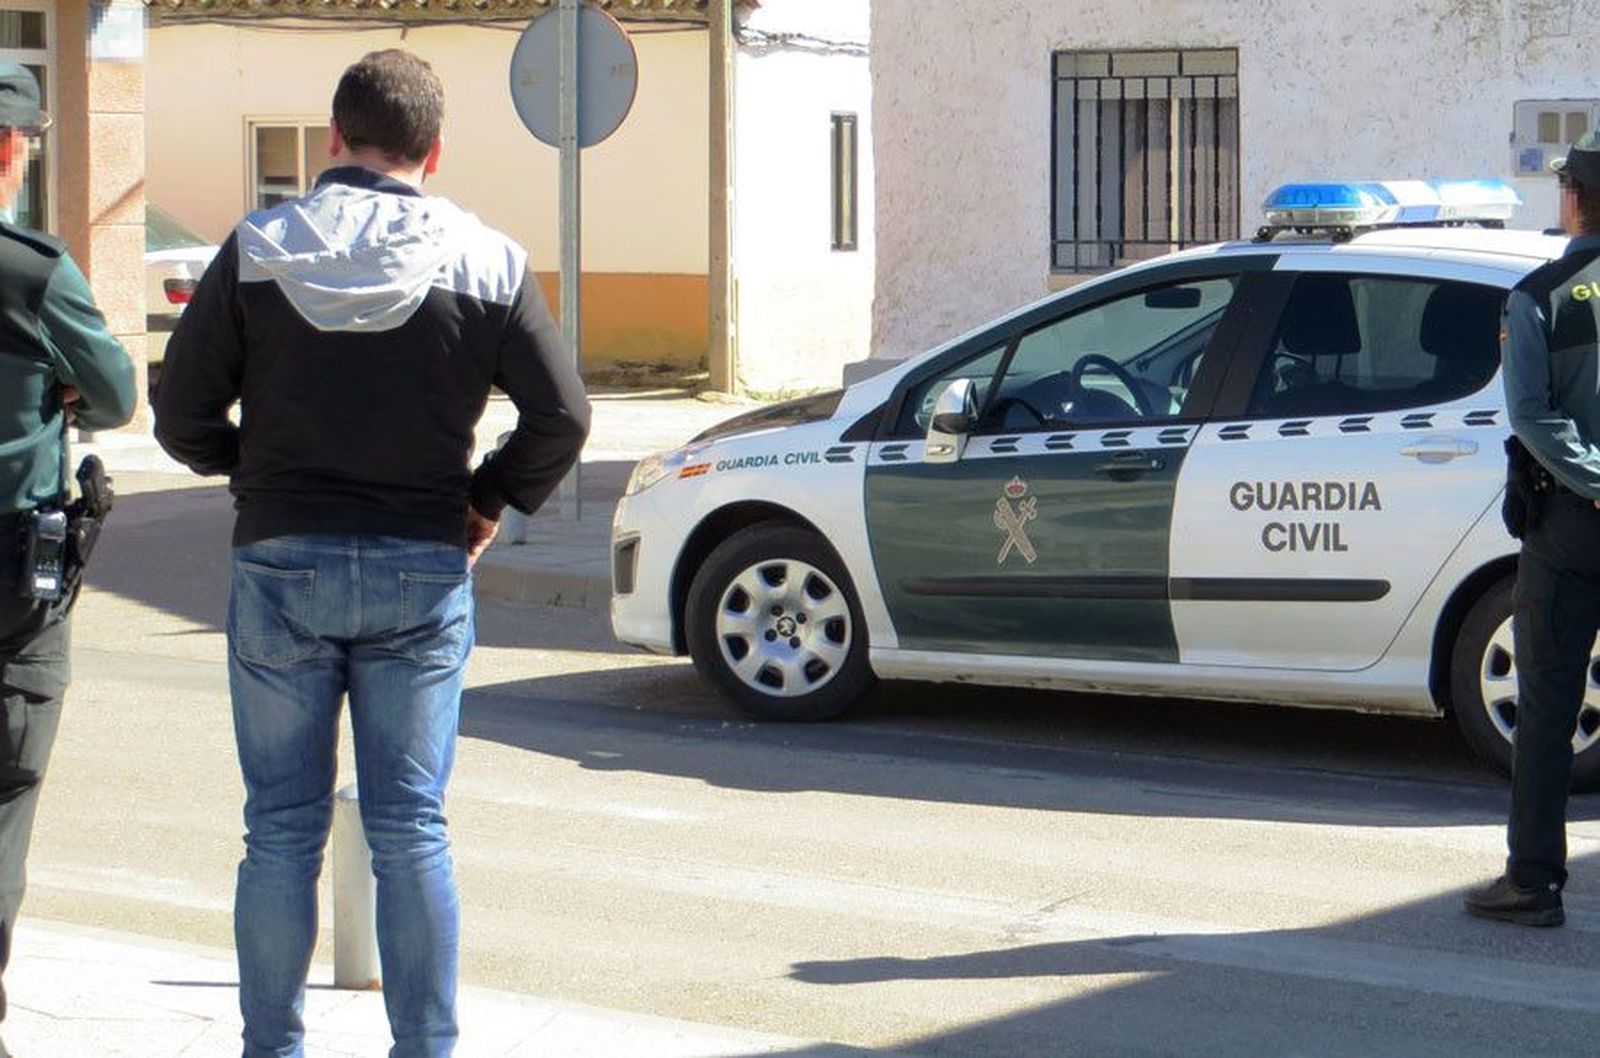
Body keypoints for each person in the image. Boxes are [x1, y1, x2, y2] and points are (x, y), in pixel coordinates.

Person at [153, 50, 589, 1056]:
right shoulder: (486, 258)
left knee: (279, 831)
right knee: (410, 831)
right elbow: (562, 416)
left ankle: (273, 1046)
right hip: (421, 564)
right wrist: (485, 501)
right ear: (434, 151)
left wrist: (251, 471)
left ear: (333, 139)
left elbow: (178, 414)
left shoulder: (258, 247)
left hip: (282, 562)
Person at [0, 62, 135, 1052]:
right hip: (12, 587)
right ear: (8, 150)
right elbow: (120, 392)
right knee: (4, 795)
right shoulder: (31, 270)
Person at [1464, 132, 1600, 928]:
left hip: (1571, 530)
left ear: (1576, 197)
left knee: (1547, 704)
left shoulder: (1543, 294)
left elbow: (1534, 414)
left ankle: (1534, 881)